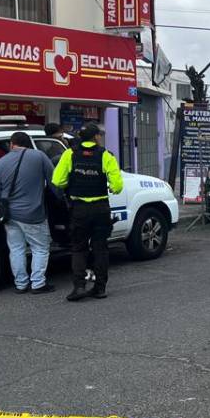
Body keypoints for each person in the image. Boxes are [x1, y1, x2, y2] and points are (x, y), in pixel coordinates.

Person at [52, 123, 123, 301]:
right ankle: (100, 288)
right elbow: (117, 186)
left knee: (79, 248)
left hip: (79, 209)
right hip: (100, 208)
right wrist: (111, 188)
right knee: (100, 248)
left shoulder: (70, 154)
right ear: (96, 137)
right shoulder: (105, 155)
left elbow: (57, 180)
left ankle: (79, 287)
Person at [0, 131, 57, 295]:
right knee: (40, 248)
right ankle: (38, 283)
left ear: (12, 144)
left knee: (16, 249)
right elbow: (54, 181)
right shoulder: (39, 156)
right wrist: (60, 198)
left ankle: (20, 284)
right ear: (29, 143)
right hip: (33, 213)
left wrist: (2, 208)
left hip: (10, 215)